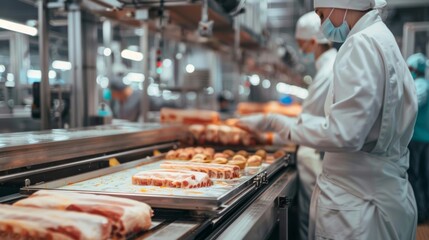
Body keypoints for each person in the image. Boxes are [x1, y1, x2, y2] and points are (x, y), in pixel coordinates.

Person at [237, 0, 418, 239]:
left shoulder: (361, 44)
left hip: (357, 203)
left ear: (341, 4)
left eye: (322, 15)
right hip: (376, 192)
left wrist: (282, 125)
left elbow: (345, 134)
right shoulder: (380, 38)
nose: (322, 25)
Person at [294, 11, 337, 240]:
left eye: (302, 46)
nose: (302, 53)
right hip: (321, 155)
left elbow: (305, 120)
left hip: (317, 157)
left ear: (313, 42)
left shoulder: (328, 72)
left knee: (312, 221)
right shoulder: (328, 67)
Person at [407, 53, 429, 223]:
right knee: (421, 175)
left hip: (418, 139)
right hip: (422, 138)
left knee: (416, 176)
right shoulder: (420, 83)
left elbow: (414, 102)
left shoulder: (421, 85)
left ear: (414, 70)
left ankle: (421, 214)